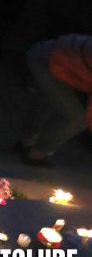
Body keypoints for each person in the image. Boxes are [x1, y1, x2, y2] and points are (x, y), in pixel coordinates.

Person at [18, 34, 92, 166]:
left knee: (50, 100)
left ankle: (24, 144)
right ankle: (36, 156)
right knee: (77, 119)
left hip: (49, 55)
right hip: (47, 61)